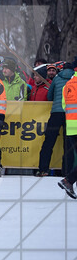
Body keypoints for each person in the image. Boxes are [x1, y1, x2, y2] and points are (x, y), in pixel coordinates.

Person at [39, 60, 75, 177]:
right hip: (70, 115)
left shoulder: (57, 78)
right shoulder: (75, 79)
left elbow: (50, 96)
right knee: (68, 145)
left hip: (56, 113)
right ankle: (66, 171)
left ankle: (43, 169)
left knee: (49, 142)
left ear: (62, 69)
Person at [58, 65, 77, 198]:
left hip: (71, 127)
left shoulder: (67, 85)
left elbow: (64, 106)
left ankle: (68, 181)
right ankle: (68, 181)